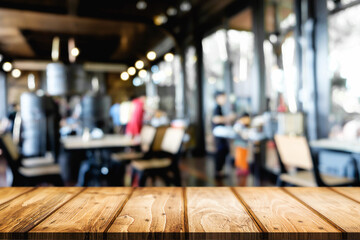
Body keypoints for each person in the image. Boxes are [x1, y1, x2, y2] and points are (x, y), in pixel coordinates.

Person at [211, 91, 236, 178]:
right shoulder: (217, 108)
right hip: (219, 135)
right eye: (223, 97)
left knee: (224, 151)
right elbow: (216, 119)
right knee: (221, 152)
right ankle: (218, 172)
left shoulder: (220, 107)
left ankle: (220, 171)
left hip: (221, 135)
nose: (225, 99)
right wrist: (228, 118)